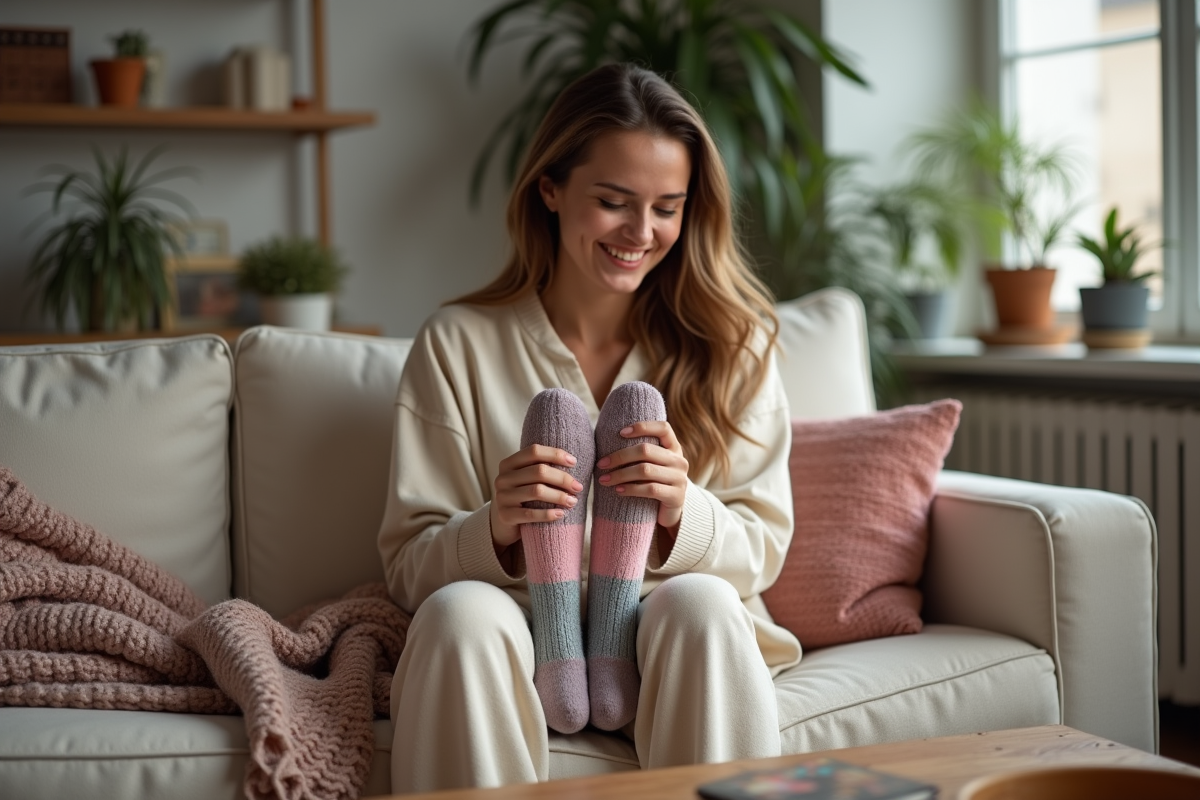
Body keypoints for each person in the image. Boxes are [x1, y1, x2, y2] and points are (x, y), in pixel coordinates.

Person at [378, 62, 802, 793]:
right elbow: (407, 565)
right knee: (456, 617)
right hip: (515, 633)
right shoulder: (457, 343)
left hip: (670, 633)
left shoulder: (735, 345)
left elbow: (762, 550)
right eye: (613, 202)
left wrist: (684, 510)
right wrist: (496, 526)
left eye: (667, 207)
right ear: (550, 189)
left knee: (703, 605)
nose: (641, 232)